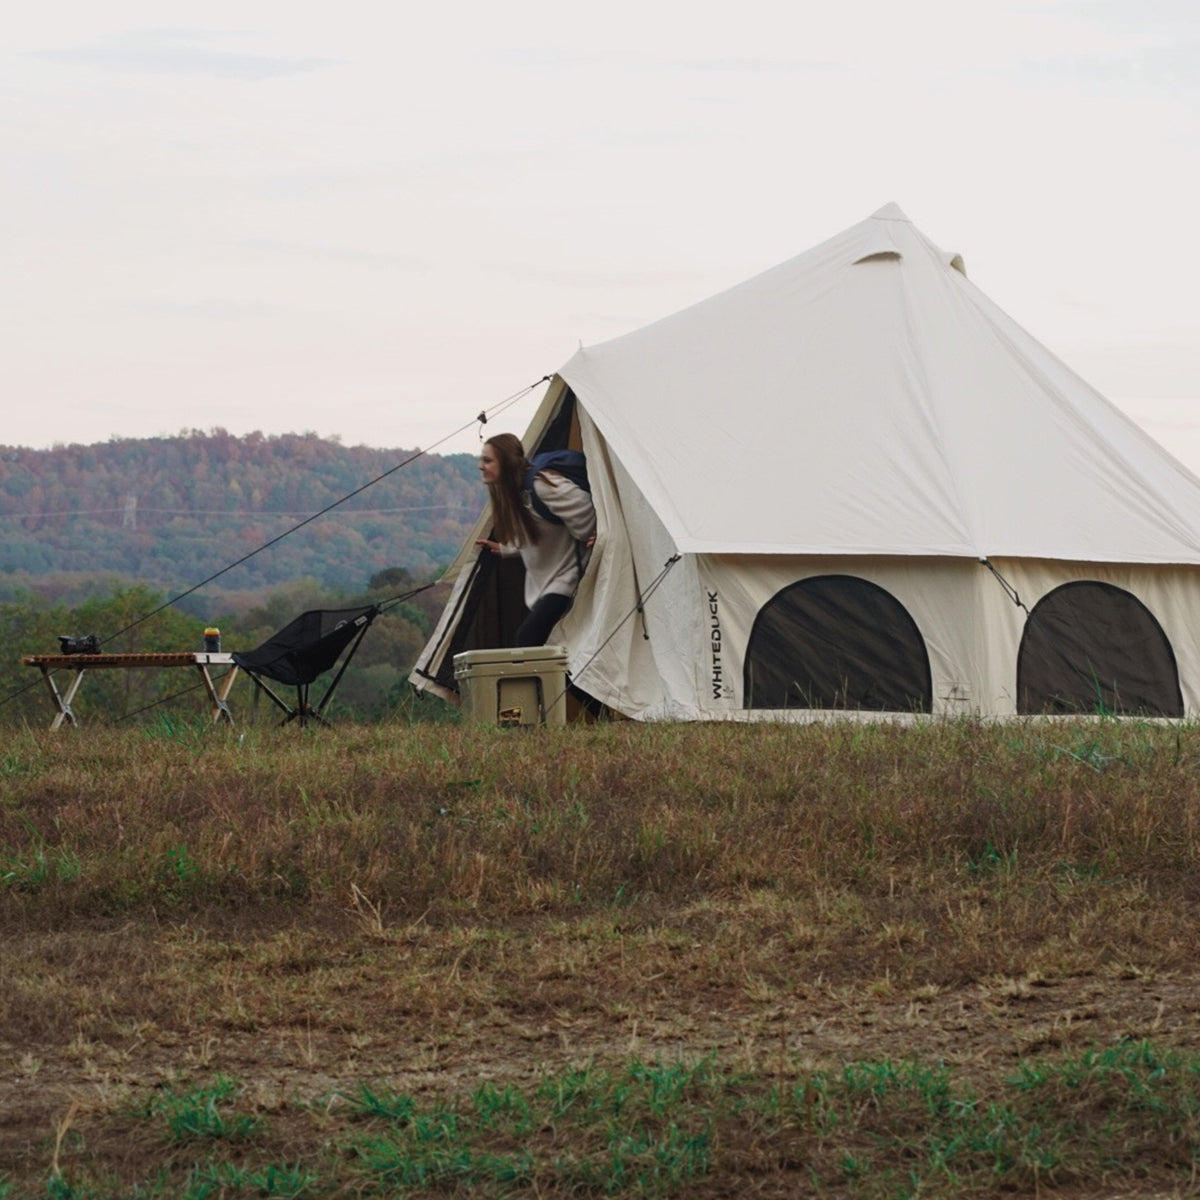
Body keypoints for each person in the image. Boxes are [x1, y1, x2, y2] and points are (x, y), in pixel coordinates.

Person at [475, 433, 596, 647]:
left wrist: (594, 535)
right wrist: (507, 549)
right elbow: (535, 532)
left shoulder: (543, 486)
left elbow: (586, 509)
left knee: (528, 640)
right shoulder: (517, 492)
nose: (480, 466)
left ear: (505, 462)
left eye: (487, 460)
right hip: (547, 584)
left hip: (565, 580)